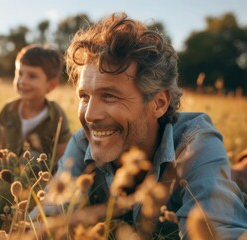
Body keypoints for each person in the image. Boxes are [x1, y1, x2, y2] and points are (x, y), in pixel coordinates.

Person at [30, 13, 247, 239]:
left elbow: (217, 232)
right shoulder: (84, 142)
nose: (90, 115)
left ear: (159, 103)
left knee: (237, 177)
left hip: (209, 168)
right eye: (84, 96)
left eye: (110, 96)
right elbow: (44, 222)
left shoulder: (195, 142)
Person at [0, 44, 72, 171]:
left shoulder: (56, 115)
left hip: (39, 173)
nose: (23, 81)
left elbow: (62, 156)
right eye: (20, 73)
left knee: (32, 157)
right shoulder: (9, 109)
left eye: (32, 76)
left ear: (51, 85)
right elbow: (1, 147)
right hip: (9, 169)